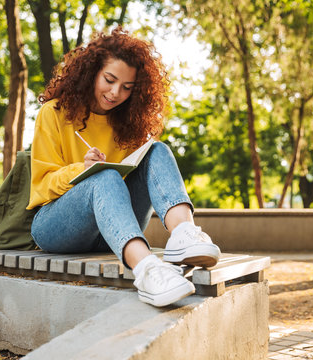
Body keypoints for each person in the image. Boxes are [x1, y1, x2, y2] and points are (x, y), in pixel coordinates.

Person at [26, 27, 221, 307]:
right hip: (55, 228)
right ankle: (147, 270)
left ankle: (183, 234)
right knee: (104, 176)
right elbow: (41, 187)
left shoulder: (129, 124)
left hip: (113, 231)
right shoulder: (53, 113)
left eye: (127, 87)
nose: (115, 92)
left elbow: (136, 180)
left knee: (157, 149)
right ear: (91, 72)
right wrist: (82, 169)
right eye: (109, 80)